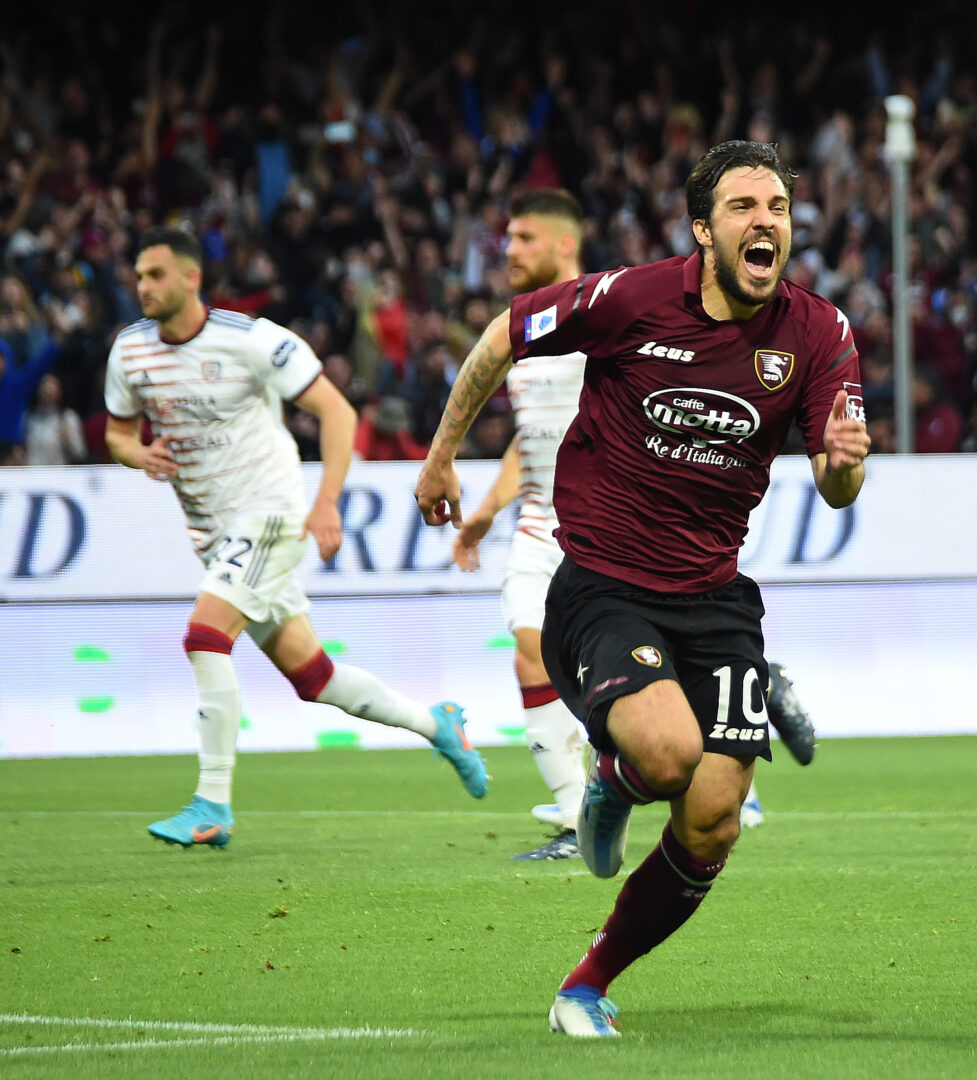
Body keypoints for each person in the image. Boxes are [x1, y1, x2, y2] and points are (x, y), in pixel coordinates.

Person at [414, 141, 868, 1037]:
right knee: (666, 757)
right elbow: (506, 334)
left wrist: (847, 464)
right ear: (703, 229)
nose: (765, 222)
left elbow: (836, 483)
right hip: (605, 584)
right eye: (743, 207)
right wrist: (440, 456)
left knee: (714, 819)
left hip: (717, 596)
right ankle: (615, 780)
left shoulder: (821, 332)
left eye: (777, 207)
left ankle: (584, 985)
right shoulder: (629, 298)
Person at [448, 189, 819, 861]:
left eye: (525, 238)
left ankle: (747, 699)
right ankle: (577, 812)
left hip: (627, 530)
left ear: (565, 243)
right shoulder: (536, 332)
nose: (509, 249)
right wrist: (486, 510)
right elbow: (534, 438)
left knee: (646, 680)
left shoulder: (606, 314)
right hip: (543, 522)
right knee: (531, 649)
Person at [104, 229, 489, 849]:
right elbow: (117, 434)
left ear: (191, 278)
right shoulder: (130, 352)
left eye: (155, 274)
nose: (142, 286)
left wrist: (326, 503)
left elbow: (338, 411)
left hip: (270, 513)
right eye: (139, 275)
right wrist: (138, 454)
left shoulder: (251, 340)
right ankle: (437, 724)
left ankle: (212, 804)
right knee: (314, 678)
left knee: (205, 637)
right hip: (213, 532)